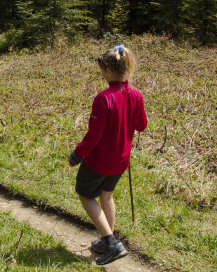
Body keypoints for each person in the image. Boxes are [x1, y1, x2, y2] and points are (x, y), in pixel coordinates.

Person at [68, 44, 147, 266]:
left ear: (110, 72)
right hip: (121, 161)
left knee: (85, 194)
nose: (102, 75)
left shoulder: (103, 98)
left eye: (102, 71)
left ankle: (110, 243)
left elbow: (94, 137)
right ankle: (107, 239)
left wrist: (76, 154)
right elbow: (142, 126)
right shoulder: (136, 94)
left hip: (100, 161)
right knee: (106, 196)